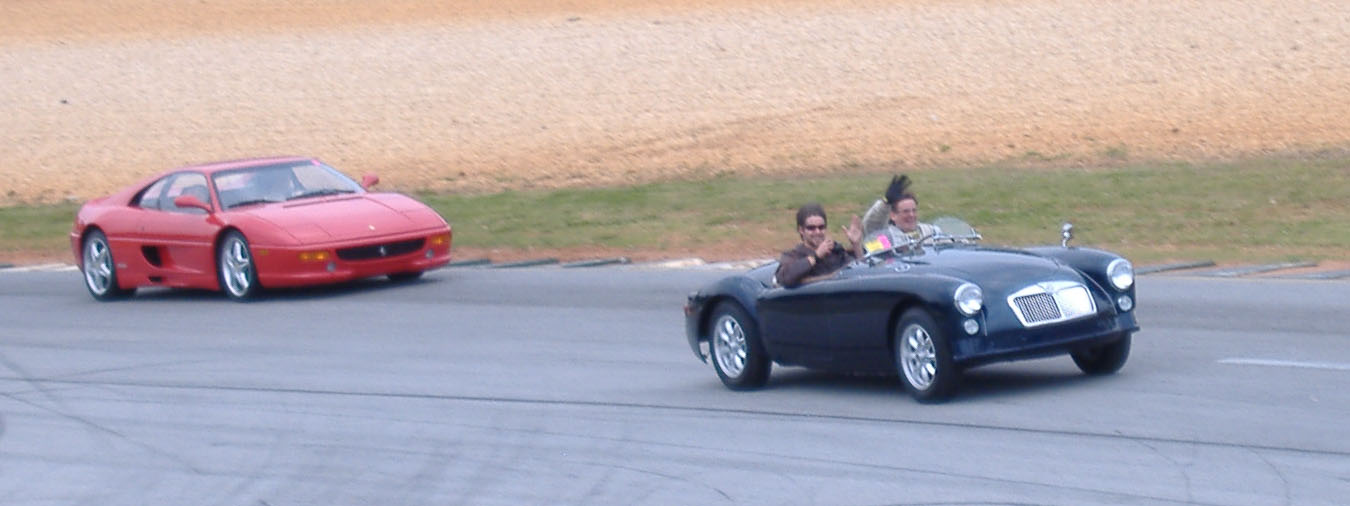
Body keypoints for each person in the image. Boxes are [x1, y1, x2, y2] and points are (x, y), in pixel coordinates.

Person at [775, 203, 862, 287]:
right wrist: (816, 256)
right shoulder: (793, 256)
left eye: (821, 227)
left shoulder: (835, 251)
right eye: (811, 228)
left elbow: (859, 270)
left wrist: (856, 244)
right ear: (801, 230)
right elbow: (785, 278)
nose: (817, 232)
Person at [861, 174, 941, 255]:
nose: (911, 215)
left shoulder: (931, 231)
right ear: (893, 215)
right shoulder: (887, 237)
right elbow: (872, 223)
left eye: (914, 210)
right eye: (905, 211)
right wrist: (885, 202)